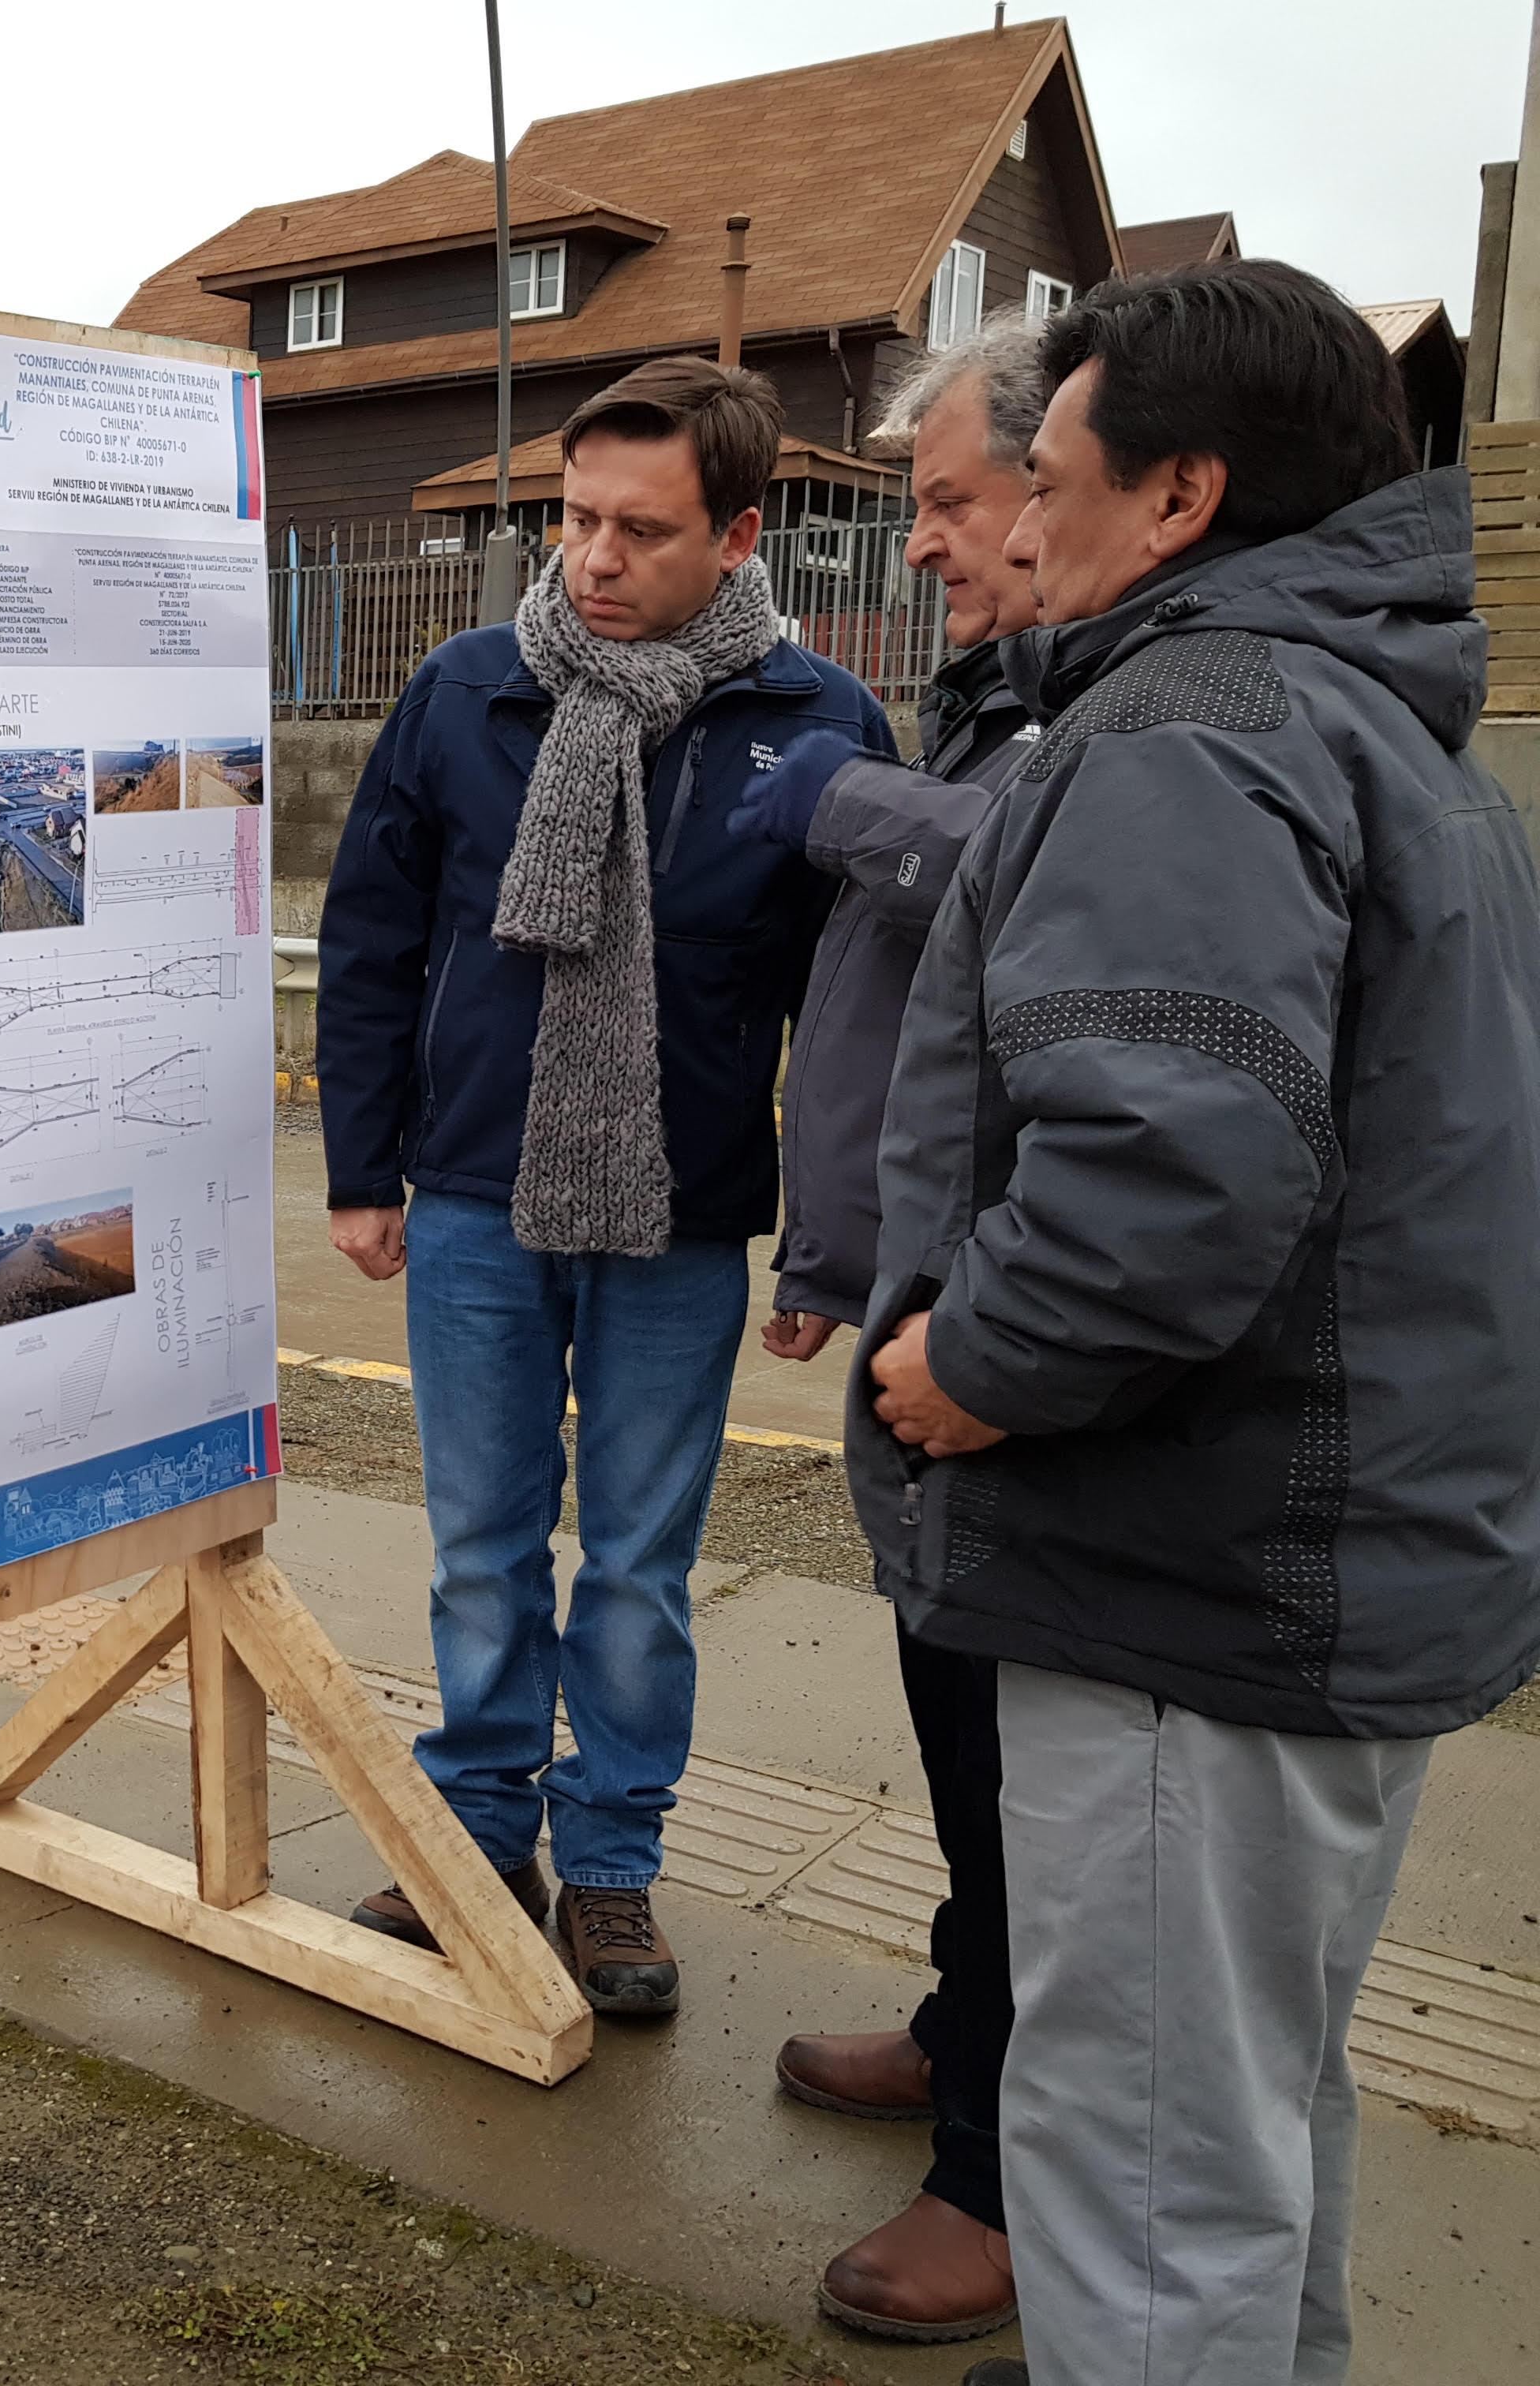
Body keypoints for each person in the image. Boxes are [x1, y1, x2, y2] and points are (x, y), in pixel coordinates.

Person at [855, 259, 1540, 2386]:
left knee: (1143, 2176)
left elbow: (1173, 1175)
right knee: (1240, 2136)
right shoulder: (1374, 716)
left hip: (1196, 1579)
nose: (1011, 520)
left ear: (1179, 500)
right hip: (1324, 1560)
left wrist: (972, 1364)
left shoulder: (1189, 726)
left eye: (1043, 475)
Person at [317, 355, 895, 2013]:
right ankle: (480, 1835)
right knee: (481, 1545)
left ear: (739, 533)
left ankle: (617, 1867)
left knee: (640, 1562)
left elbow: (849, 1019)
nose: (594, 558)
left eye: (641, 530)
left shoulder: (817, 724)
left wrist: (826, 1252)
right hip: (475, 1198)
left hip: (683, 1216)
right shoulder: (466, 690)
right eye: (573, 519)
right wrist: (367, 1169)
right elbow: (370, 939)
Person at [730, 316, 1048, 2346]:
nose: (920, 542)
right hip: (935, 1308)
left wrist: (836, 801)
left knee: (1026, 1765)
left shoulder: (1114, 727)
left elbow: (1020, 895)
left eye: (946, 501)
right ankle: (967, 2028)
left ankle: (1005, 2173)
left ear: (1091, 476)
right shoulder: (1007, 696)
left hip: (1015, 1355)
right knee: (960, 1739)